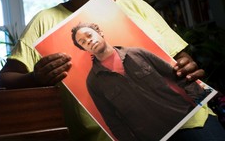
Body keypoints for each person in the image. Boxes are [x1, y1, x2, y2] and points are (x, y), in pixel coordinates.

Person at [0, 0, 224, 141]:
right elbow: (5, 79)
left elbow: (181, 58)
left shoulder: (136, 6)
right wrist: (36, 77)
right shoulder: (44, 21)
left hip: (189, 124)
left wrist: (187, 65)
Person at [71, 22, 210, 141]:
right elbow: (112, 121)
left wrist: (202, 98)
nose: (88, 41)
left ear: (100, 32)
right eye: (82, 42)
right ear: (83, 48)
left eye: (89, 35)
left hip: (187, 121)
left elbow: (177, 75)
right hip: (152, 137)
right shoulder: (93, 82)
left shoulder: (137, 53)